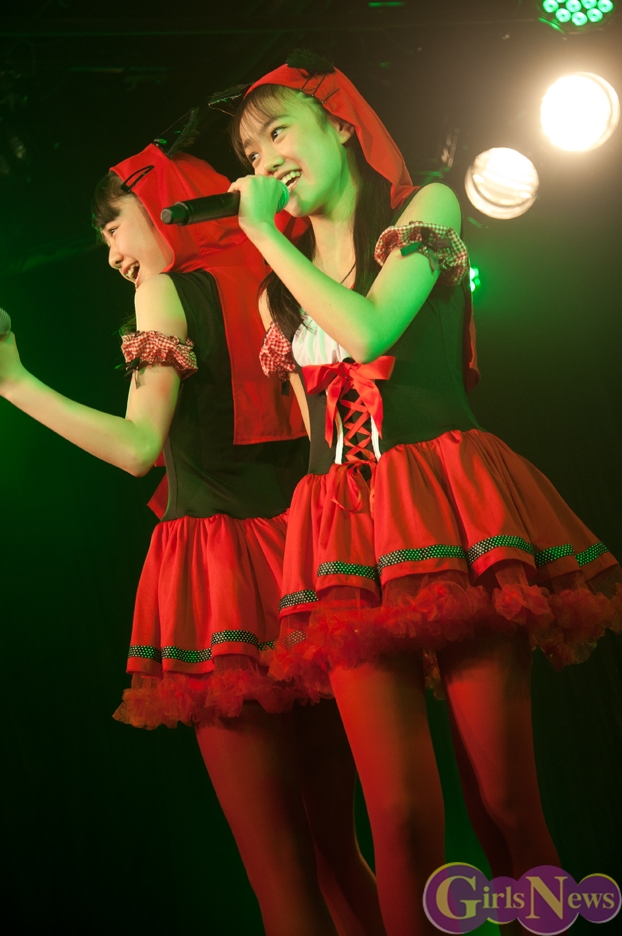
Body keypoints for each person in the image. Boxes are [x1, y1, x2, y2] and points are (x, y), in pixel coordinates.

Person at [218, 49, 622, 936]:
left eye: (277, 131)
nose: (265, 159)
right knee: (397, 818)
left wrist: (262, 239)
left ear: (340, 127)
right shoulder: (278, 294)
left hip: (445, 504)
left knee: (504, 802)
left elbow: (369, 331)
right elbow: (315, 433)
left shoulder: (427, 208)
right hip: (346, 535)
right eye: (250, 153)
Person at [0, 136, 385, 936]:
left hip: (221, 575)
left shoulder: (165, 290)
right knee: (341, 852)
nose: (112, 253)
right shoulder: (277, 283)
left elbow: (136, 448)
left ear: (162, 204)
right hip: (305, 562)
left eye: (114, 225)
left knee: (278, 869)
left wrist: (11, 381)